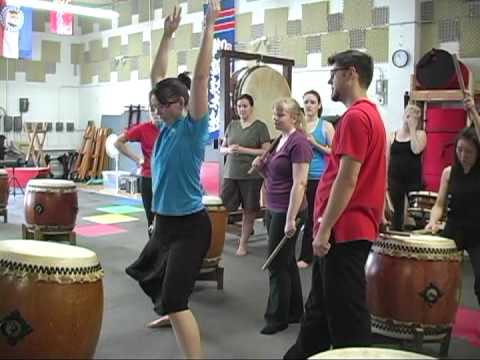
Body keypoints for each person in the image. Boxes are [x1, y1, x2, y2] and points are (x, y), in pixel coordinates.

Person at [125, 1, 219, 358]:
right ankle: (171, 312)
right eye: (155, 106)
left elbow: (198, 79)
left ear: (180, 104)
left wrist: (208, 29)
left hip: (190, 227)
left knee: (177, 297)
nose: (157, 111)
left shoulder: (192, 130)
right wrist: (167, 35)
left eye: (163, 105)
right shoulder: (163, 128)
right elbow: (157, 77)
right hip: (164, 224)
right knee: (159, 284)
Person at [284, 50, 387, 358]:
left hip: (344, 232)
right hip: (347, 230)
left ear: (351, 73)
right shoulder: (371, 115)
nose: (330, 79)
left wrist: (325, 229)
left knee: (347, 319)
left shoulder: (356, 117)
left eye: (334, 73)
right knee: (319, 310)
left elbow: (347, 179)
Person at [252, 97, 312, 335]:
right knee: (286, 262)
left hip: (290, 210)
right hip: (275, 207)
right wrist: (262, 168)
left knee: (276, 264)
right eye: (275, 114)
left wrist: (290, 219)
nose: (275, 118)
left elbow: (300, 183)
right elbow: (275, 179)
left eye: (280, 115)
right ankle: (295, 311)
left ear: (295, 117)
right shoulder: (280, 140)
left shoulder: (299, 143)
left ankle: (277, 318)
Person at [426, 92, 480, 307]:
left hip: (478, 233)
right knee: (434, 277)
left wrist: (473, 112)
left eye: (468, 151)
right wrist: (432, 221)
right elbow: (439, 205)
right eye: (459, 149)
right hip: (454, 229)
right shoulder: (449, 172)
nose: (462, 154)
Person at [220, 94, 270, 256]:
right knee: (222, 208)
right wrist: (229, 150)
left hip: (251, 175)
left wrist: (243, 150)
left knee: (249, 210)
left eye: (245, 106)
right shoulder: (232, 125)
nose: (241, 109)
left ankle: (243, 244)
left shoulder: (260, 127)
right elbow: (222, 148)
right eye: (239, 106)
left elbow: (266, 151)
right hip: (231, 172)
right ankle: (216, 240)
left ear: (251, 107)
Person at [297, 90, 334, 269]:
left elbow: (335, 152)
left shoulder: (325, 126)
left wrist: (314, 144)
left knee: (313, 216)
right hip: (298, 176)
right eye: (306, 102)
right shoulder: (298, 125)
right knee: (296, 216)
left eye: (312, 102)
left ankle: (307, 256)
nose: (309, 105)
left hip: (317, 177)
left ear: (319, 105)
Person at [387, 103, 426, 230]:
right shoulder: (393, 135)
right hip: (395, 179)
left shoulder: (420, 134)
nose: (409, 119)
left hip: (413, 180)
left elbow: (416, 150)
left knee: (418, 214)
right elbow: (387, 159)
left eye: (413, 117)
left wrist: (413, 128)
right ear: (404, 116)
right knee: (396, 215)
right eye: (408, 115)